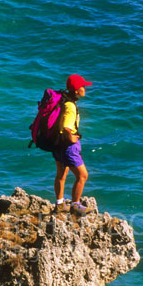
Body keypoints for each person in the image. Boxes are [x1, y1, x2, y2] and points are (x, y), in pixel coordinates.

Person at [53, 74, 92, 216]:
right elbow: (66, 127)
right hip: (68, 146)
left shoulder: (63, 101)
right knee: (83, 175)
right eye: (82, 86)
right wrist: (73, 138)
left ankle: (59, 204)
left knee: (61, 175)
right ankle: (75, 205)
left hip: (57, 144)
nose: (84, 88)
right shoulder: (70, 106)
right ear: (76, 90)